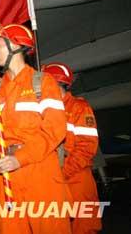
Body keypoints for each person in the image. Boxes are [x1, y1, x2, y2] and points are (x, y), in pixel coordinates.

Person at [0, 24, 72, 233]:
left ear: (16, 46)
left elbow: (55, 129)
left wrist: (20, 158)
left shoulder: (43, 82)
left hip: (39, 171)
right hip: (6, 174)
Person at [43, 62, 102, 233]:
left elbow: (86, 148)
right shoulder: (45, 111)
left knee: (83, 227)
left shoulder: (79, 108)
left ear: (54, 84)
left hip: (76, 179)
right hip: (55, 180)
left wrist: (62, 172)